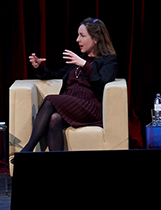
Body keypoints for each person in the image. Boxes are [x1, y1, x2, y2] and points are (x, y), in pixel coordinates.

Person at [14, 17, 119, 154]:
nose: (77, 40)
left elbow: (101, 85)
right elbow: (55, 74)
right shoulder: (80, 60)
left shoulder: (108, 61)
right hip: (70, 105)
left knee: (51, 99)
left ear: (95, 39)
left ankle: (27, 150)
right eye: (78, 35)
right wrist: (39, 67)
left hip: (89, 107)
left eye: (82, 36)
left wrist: (84, 65)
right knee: (54, 119)